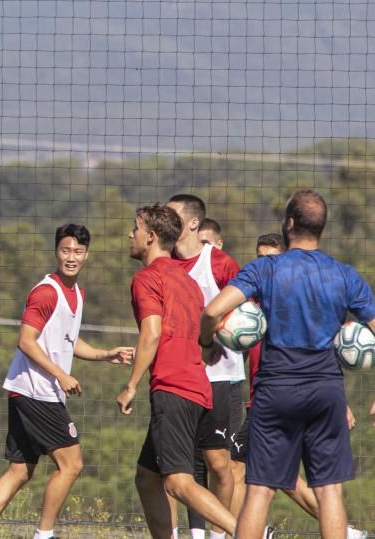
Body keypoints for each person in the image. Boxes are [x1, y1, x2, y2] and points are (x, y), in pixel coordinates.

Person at [200, 190, 375, 539]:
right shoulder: (344, 275)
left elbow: (213, 311)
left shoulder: (265, 268)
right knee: (329, 489)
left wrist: (206, 343)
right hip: (326, 391)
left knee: (260, 489)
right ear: (320, 228)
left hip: (276, 390)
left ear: (289, 223)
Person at [0, 225, 135, 539]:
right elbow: (26, 341)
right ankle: (44, 535)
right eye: (65, 250)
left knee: (20, 470)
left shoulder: (76, 294)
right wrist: (61, 375)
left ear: (86, 254)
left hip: (29, 392)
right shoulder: (46, 292)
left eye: (77, 252)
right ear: (56, 251)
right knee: (71, 464)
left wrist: (105, 354)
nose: (71, 258)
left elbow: (67, 342)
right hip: (37, 393)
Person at [228, 233, 368, 539]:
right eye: (258, 256)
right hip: (266, 399)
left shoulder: (297, 308)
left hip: (276, 402)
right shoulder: (248, 311)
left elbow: (323, 357)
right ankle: (344, 530)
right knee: (279, 478)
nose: (263, 263)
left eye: (270, 258)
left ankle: (232, 532)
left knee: (247, 473)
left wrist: (341, 403)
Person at [117, 204, 237, 539]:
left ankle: (246, 532)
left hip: (172, 389)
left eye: (135, 228)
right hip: (198, 388)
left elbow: (152, 333)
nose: (130, 234)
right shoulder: (187, 282)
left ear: (151, 237)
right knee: (147, 476)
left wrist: (131, 385)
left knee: (177, 481)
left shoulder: (147, 278)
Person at [167, 196, 241, 539]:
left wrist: (214, 337)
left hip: (219, 377)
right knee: (184, 465)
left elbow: (245, 315)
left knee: (217, 464)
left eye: (173, 214)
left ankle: (219, 533)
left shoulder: (221, 263)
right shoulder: (165, 265)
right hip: (180, 379)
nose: (165, 218)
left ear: (194, 223)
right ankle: (195, 534)